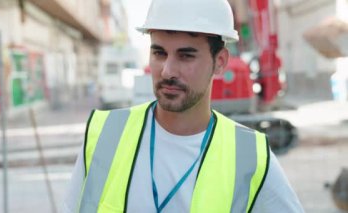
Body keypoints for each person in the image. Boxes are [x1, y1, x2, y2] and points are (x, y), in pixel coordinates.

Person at [64, 0, 304, 212]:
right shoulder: (105, 135)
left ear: (219, 62)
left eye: (185, 56)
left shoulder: (250, 155)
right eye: (159, 53)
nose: (167, 71)